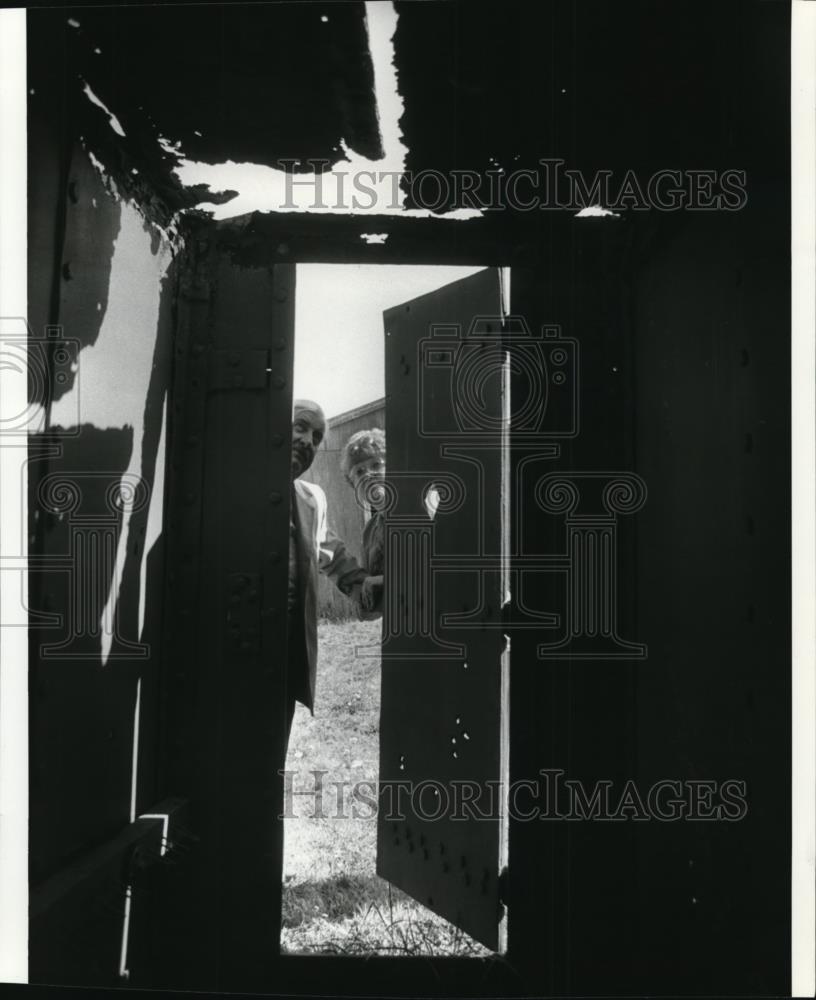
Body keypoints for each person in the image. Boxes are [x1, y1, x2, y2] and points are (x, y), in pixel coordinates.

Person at [286, 399, 372, 738]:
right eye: (300, 426)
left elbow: (331, 555)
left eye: (317, 436)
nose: (308, 441)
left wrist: (369, 587)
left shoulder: (313, 497)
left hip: (286, 661)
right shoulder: (231, 480)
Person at [339, 428, 386, 615]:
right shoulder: (370, 531)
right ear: (353, 484)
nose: (368, 475)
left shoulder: (423, 510)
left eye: (376, 465)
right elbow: (371, 603)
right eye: (359, 472)